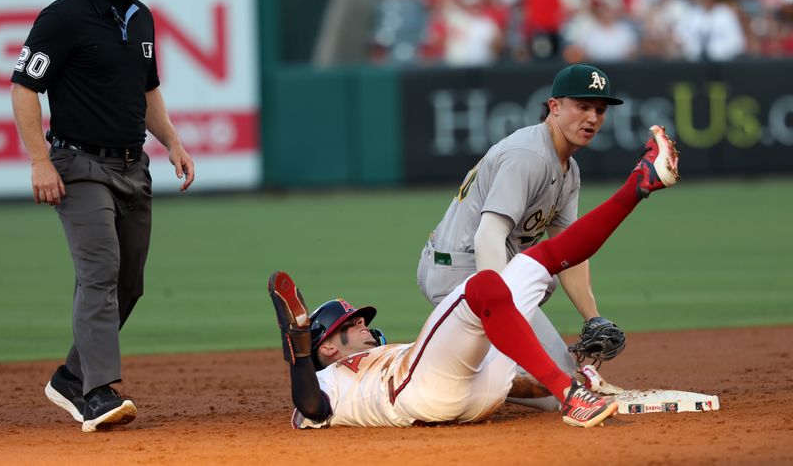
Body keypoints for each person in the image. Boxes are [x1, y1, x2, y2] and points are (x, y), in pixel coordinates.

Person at [269, 126, 679, 429]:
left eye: (358, 319)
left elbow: (515, 388)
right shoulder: (327, 377)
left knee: (540, 257)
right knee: (484, 286)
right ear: (325, 349)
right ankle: (571, 396)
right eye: (347, 326)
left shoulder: (389, 350)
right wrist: (298, 347)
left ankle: (639, 185)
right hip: (419, 395)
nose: (361, 323)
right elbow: (312, 407)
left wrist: (547, 380)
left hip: (474, 392)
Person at [10, 0, 193, 433]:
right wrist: (38, 160)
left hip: (135, 167)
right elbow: (24, 86)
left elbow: (147, 87)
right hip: (79, 164)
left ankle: (71, 375)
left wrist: (172, 141)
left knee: (128, 283)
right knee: (100, 273)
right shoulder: (63, 16)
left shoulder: (142, 18)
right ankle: (96, 393)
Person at [416, 62, 623, 410]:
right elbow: (488, 237)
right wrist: (503, 316)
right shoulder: (529, 155)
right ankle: (454, 378)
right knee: (553, 391)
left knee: (560, 378)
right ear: (554, 107)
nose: (592, 118)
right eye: (582, 106)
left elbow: (568, 252)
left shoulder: (568, 169)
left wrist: (592, 316)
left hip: (482, 268)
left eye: (599, 110)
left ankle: (477, 365)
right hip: (459, 269)